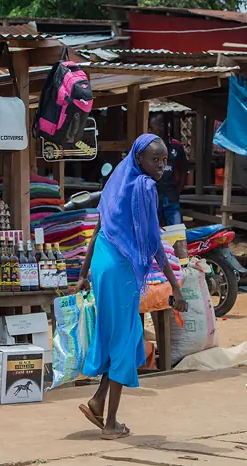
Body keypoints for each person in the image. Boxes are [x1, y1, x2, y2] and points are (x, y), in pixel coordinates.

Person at [76, 134, 186, 440]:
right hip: (120, 267)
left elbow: (99, 226)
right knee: (124, 339)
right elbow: (153, 242)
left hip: (102, 262)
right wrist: (175, 286)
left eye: (165, 160)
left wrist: (84, 272)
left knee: (121, 333)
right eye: (155, 160)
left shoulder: (117, 179)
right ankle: (110, 423)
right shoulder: (144, 187)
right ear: (139, 158)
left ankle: (98, 401)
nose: (162, 166)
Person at [148, 114, 188, 226]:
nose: (150, 131)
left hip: (171, 197)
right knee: (153, 231)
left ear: (161, 126)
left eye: (152, 127)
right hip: (153, 197)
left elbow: (183, 170)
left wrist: (177, 191)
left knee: (177, 232)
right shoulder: (147, 148)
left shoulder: (177, 146)